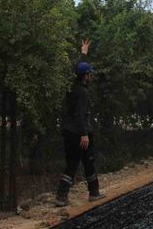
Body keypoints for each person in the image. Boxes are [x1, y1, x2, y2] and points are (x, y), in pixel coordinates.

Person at [55, 39, 105, 207]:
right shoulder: (82, 93)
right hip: (79, 133)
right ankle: (94, 193)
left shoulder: (72, 86)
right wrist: (84, 134)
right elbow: (80, 115)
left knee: (72, 163)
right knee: (89, 161)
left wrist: (83, 53)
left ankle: (61, 197)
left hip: (69, 132)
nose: (90, 76)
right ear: (85, 77)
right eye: (89, 74)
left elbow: (77, 68)